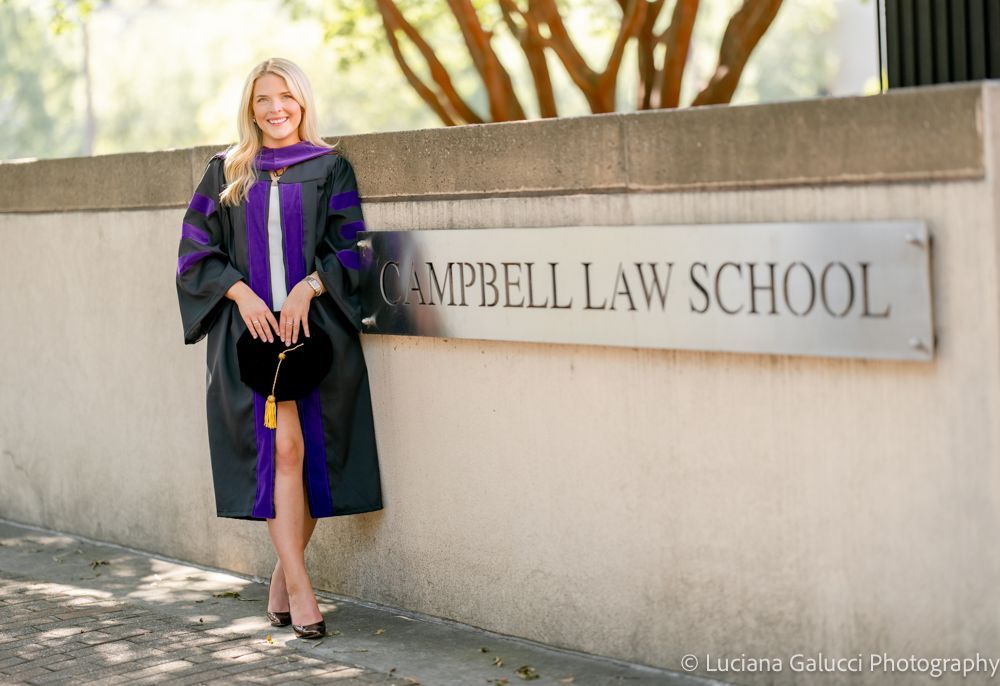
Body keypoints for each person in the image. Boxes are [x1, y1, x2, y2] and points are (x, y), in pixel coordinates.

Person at [175, 57, 383, 639]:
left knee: (308, 455)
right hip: (252, 339)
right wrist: (239, 293)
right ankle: (301, 587)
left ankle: (281, 578)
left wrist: (308, 287)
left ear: (302, 102)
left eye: (285, 97)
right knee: (282, 453)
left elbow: (352, 247)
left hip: (313, 334)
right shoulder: (225, 171)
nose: (275, 109)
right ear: (250, 107)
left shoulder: (330, 167)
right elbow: (195, 255)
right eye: (263, 99)